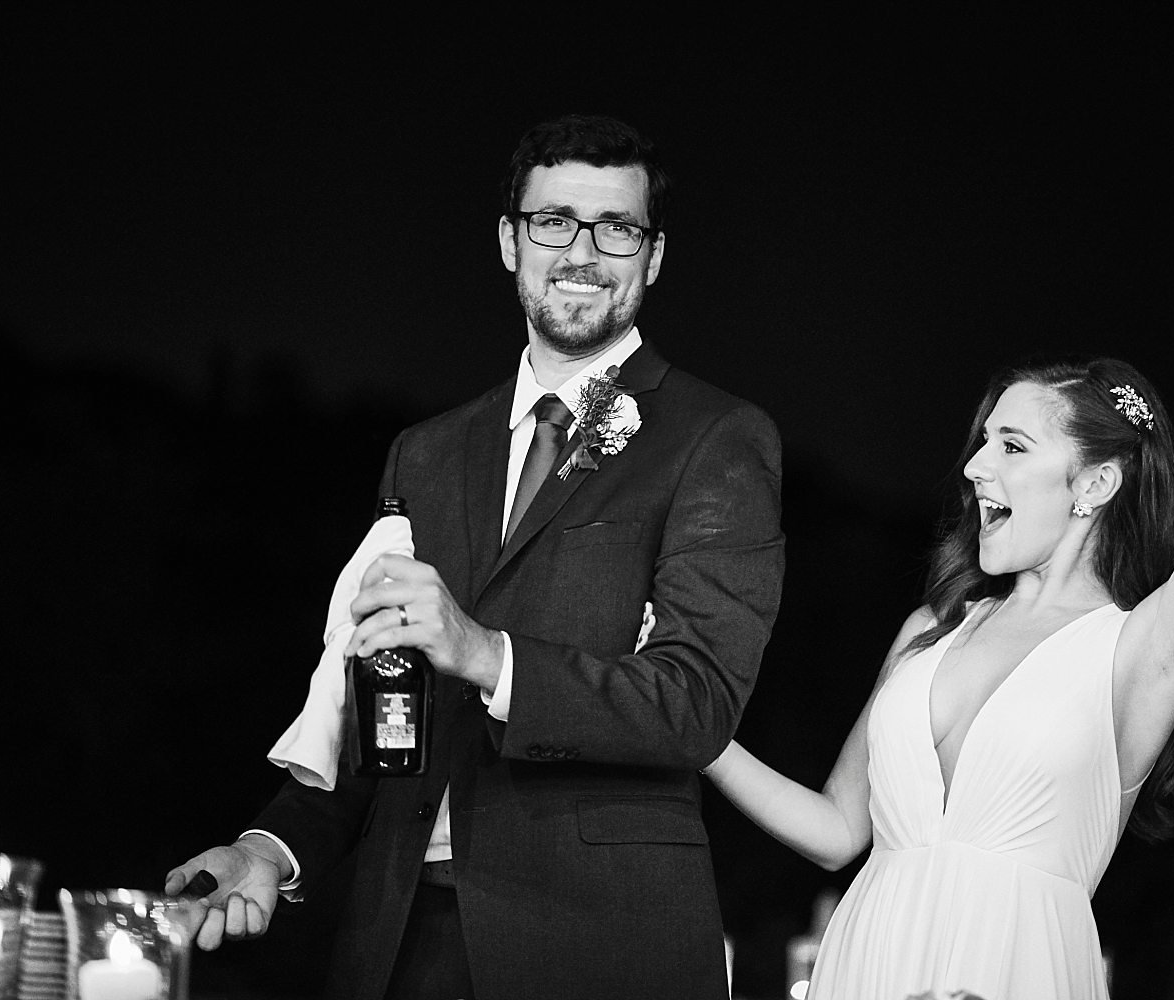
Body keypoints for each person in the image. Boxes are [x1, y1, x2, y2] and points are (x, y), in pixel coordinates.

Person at [704, 196, 1174, 999]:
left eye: (1012, 445)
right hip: (864, 966)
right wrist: (701, 736)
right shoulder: (930, 630)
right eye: (980, 443)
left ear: (1095, 483)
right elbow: (837, 829)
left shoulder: (1142, 650)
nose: (974, 467)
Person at [166, 114, 785, 998]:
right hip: (399, 941)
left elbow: (698, 704)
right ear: (510, 242)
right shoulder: (425, 453)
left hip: (598, 947)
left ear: (652, 257)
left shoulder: (716, 437)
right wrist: (268, 848)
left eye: (617, 229)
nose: (583, 250)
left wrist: (486, 653)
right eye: (554, 221)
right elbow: (381, 715)